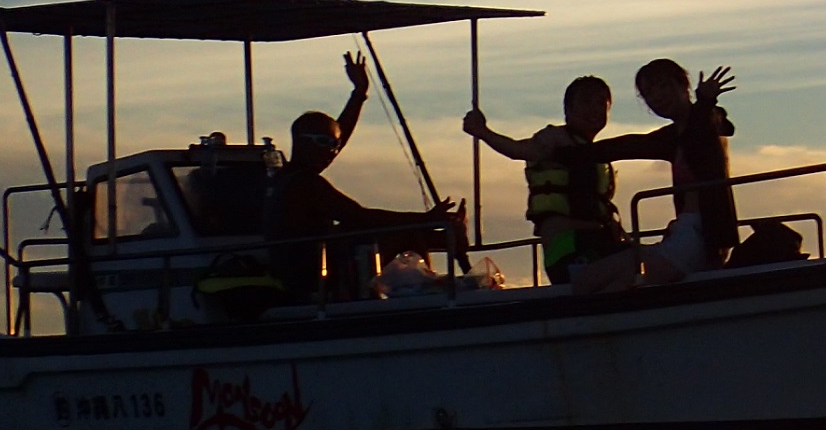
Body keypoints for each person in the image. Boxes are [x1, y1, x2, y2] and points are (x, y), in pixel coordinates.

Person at [265, 51, 462, 299]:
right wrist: (425, 219)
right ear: (303, 142)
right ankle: (423, 290)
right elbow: (359, 216)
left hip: (307, 266)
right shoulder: (305, 184)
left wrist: (359, 94)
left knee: (408, 232)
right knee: (402, 233)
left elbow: (338, 135)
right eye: (326, 144)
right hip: (307, 278)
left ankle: (432, 266)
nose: (333, 152)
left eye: (335, 146)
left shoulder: (287, 176)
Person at [464, 75, 679, 293]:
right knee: (652, 262)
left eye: (600, 104)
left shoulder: (598, 155)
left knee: (661, 264)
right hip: (570, 252)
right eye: (586, 102)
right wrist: (483, 132)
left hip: (599, 246)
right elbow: (519, 150)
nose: (594, 109)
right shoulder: (554, 140)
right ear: (568, 108)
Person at [631, 60, 738, 273]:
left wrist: (705, 101)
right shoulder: (672, 136)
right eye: (648, 93)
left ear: (683, 86)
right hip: (687, 230)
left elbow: (702, 128)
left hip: (704, 234)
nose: (657, 97)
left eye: (663, 86)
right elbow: (627, 145)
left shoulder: (708, 119)